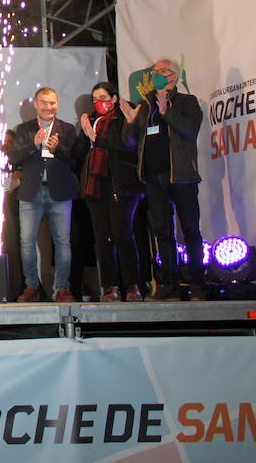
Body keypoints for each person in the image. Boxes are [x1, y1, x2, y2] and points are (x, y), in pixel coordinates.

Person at [121, 58, 206, 301]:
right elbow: (130, 143)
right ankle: (169, 283)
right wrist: (129, 123)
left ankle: (197, 282)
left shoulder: (187, 102)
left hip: (182, 177)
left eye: (164, 71)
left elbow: (190, 131)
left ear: (175, 77)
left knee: (190, 231)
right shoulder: (146, 105)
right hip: (153, 178)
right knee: (163, 233)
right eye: (155, 71)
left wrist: (167, 111)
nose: (158, 74)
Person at [7, 86, 83, 302]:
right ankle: (31, 287)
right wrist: (34, 144)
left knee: (62, 241)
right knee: (27, 241)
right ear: (36, 104)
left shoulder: (66, 129)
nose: (49, 107)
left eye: (53, 103)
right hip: (31, 191)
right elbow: (14, 158)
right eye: (45, 103)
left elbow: (74, 159)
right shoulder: (24, 129)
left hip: (60, 192)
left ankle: (62, 288)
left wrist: (58, 148)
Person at [79, 82, 145, 302]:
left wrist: (96, 137)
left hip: (121, 184)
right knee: (103, 237)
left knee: (123, 234)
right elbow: (79, 151)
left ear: (114, 98)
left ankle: (133, 285)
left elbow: (126, 143)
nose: (100, 102)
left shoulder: (123, 118)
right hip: (96, 187)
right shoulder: (91, 120)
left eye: (104, 97)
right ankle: (110, 287)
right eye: (95, 99)